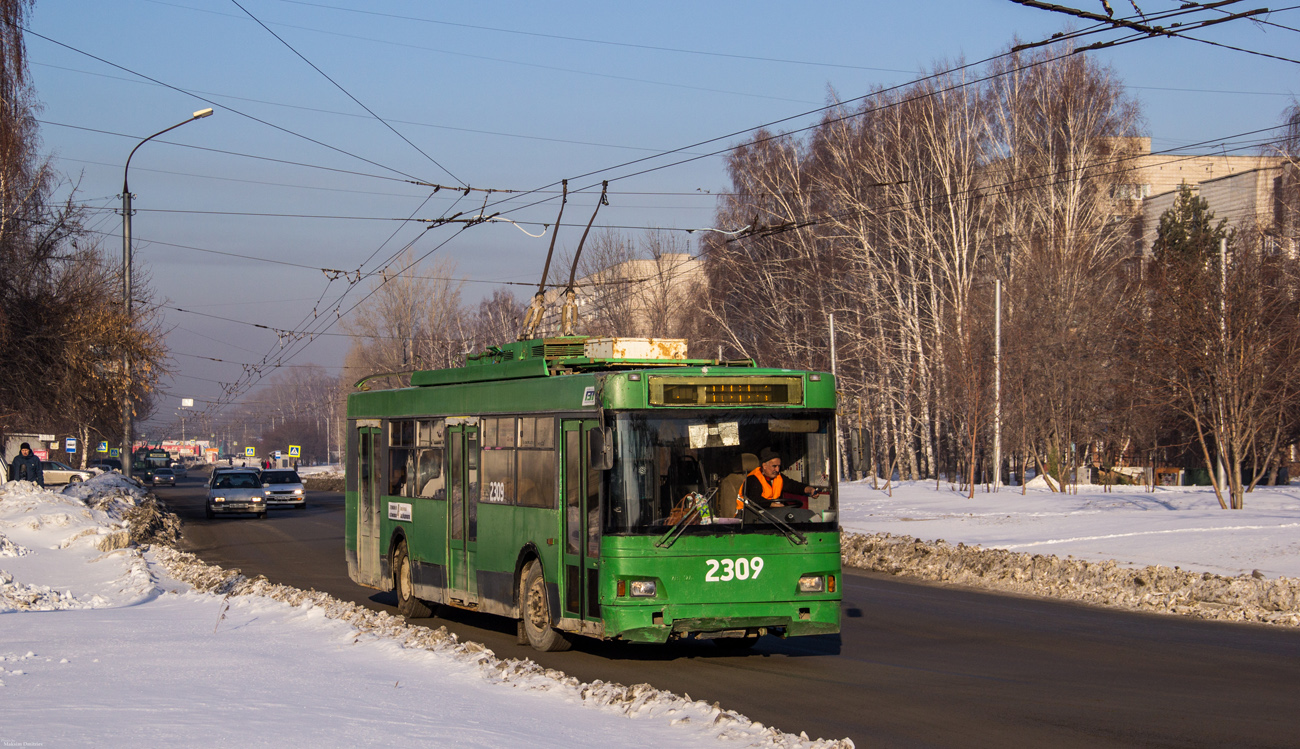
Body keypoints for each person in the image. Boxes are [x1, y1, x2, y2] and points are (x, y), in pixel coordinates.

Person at [737, 446, 818, 518]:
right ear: (764, 466)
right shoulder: (753, 479)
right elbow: (754, 500)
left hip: (771, 516)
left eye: (778, 466)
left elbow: (793, 486)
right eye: (774, 466)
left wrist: (809, 489)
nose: (777, 469)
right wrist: (774, 505)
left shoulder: (778, 477)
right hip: (748, 518)